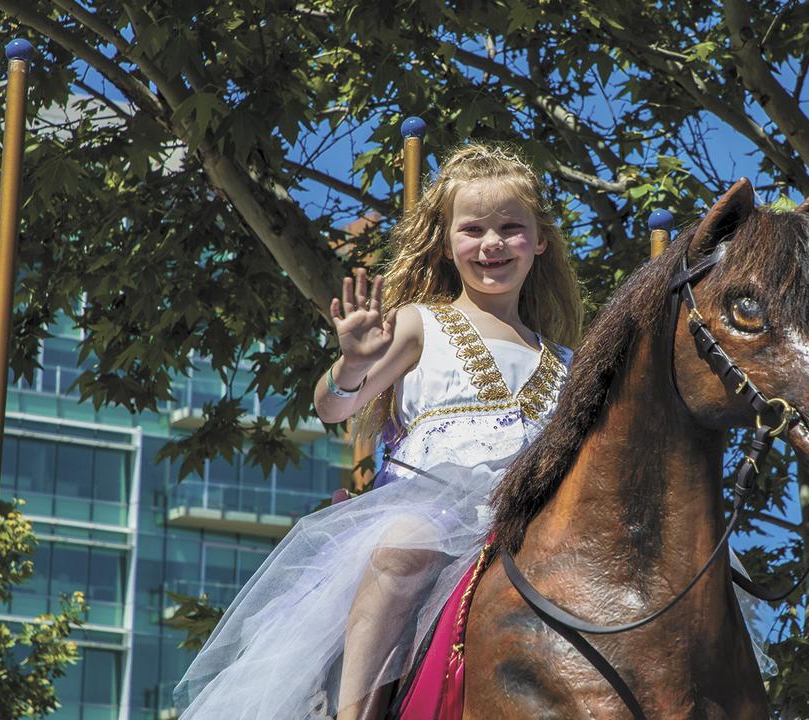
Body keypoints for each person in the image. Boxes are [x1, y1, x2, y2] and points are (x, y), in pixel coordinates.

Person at [174, 142, 584, 720]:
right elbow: (334, 409)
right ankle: (356, 712)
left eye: (511, 228)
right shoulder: (422, 324)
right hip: (441, 507)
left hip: (534, 514)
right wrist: (354, 365)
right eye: (473, 229)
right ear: (446, 243)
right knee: (402, 549)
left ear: (540, 240)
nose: (492, 244)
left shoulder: (567, 362)